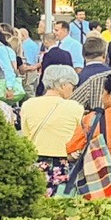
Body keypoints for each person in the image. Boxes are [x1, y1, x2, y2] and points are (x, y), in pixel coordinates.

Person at [20, 65, 83, 195]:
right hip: (63, 163)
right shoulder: (75, 107)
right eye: (73, 86)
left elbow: (26, 136)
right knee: (61, 202)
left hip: (34, 162)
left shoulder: (28, 105)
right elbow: (79, 137)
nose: (74, 90)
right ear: (63, 85)